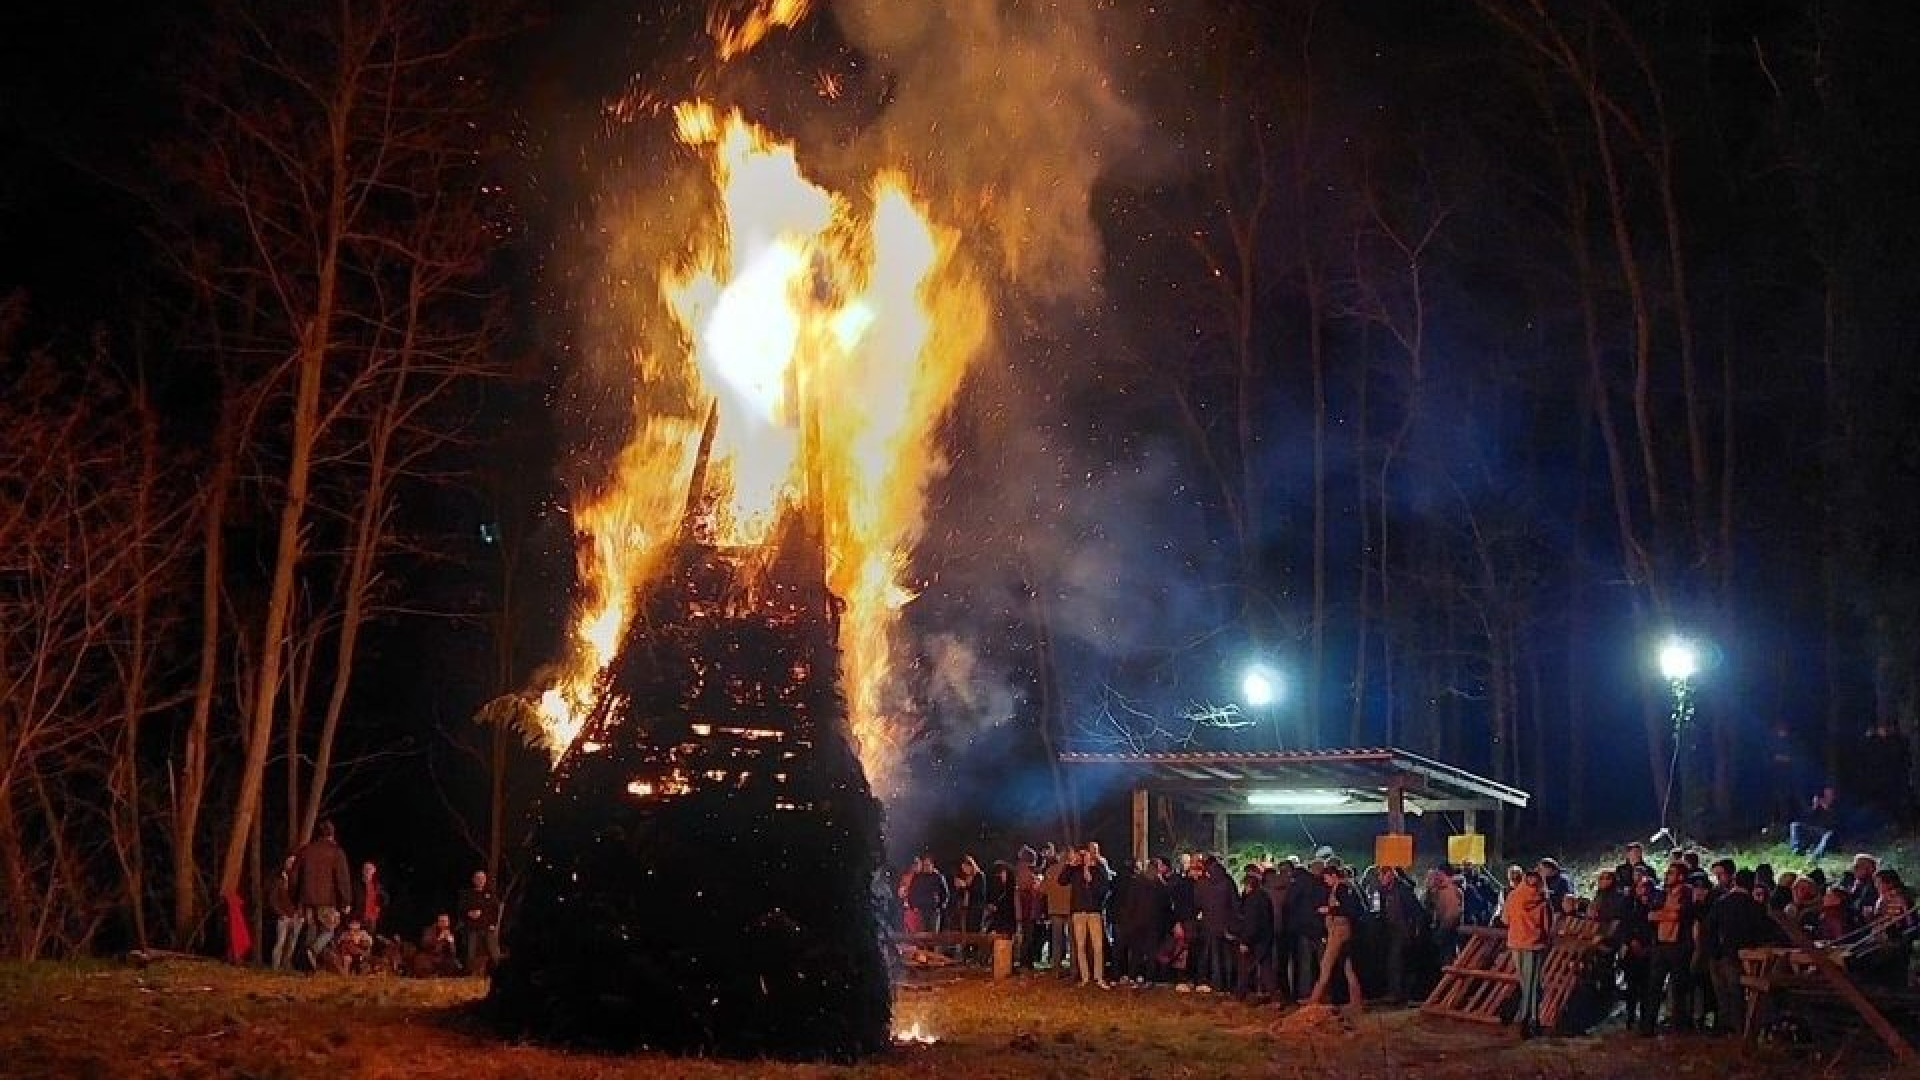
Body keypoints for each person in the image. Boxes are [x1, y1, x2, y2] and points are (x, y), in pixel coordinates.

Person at [1640, 863, 1696, 1034]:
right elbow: (1650, 915)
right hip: (1661, 944)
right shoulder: (1662, 894)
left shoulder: (1687, 893)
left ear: (1680, 876)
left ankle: (1678, 1027)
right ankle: (1648, 1026)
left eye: (1671, 873)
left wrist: (1664, 915)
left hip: (1678, 946)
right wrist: (1668, 915)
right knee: (1654, 987)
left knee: (1679, 989)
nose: (1666, 875)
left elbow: (1680, 915)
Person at [293, 822, 353, 968]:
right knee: (329, 930)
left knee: (312, 929)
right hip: (326, 900)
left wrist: (296, 896)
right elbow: (342, 878)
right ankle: (313, 951)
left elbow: (295, 875)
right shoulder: (336, 851)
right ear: (332, 834)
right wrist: (346, 901)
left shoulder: (306, 850)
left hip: (306, 898)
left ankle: (306, 965)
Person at [1308, 865, 1365, 1009]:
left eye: (1326, 878)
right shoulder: (1345, 887)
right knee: (1348, 968)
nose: (1325, 881)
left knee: (1325, 967)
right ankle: (1356, 1002)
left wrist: (1329, 910)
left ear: (1334, 876)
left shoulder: (1342, 889)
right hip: (1341, 931)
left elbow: (1350, 909)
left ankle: (1313, 1002)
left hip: (1338, 933)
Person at [1057, 846, 1112, 988]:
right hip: (1078, 911)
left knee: (1097, 946)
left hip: (1094, 912)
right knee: (1080, 946)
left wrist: (1091, 880)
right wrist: (1070, 864)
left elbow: (1104, 889)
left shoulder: (1099, 870)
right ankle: (1085, 977)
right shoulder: (1075, 870)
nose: (1085, 857)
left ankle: (1098, 977)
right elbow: (1062, 881)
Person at [1506, 868, 1549, 1038]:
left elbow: (1505, 919)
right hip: (1534, 944)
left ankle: (1524, 1017)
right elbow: (1547, 926)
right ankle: (1532, 1018)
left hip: (1516, 942)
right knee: (1532, 984)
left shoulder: (1514, 896)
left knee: (1524, 982)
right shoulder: (1543, 901)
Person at [457, 869, 502, 976]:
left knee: (494, 951)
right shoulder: (467, 894)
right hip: (472, 927)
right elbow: (461, 909)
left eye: (482, 878)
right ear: (473, 880)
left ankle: (499, 971)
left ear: (485, 880)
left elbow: (495, 910)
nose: (480, 880)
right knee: (470, 951)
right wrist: (469, 913)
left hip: (487, 927)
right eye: (478, 878)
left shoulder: (490, 894)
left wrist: (493, 924)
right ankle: (469, 973)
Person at [268, 854, 303, 971]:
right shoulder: (278, 880)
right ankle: (275, 967)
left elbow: (301, 898)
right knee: (280, 942)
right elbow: (272, 899)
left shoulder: (299, 880)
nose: (291, 865)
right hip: (284, 916)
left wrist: (300, 914)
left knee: (292, 943)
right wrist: (280, 913)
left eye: (294, 862)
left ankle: (286, 964)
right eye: (289, 862)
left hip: (296, 916)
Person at [1789, 786, 1837, 859]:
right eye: (1826, 794)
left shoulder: (1837, 807)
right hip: (1813, 831)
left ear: (1833, 796)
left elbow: (1834, 824)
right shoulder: (1818, 806)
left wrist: (1826, 808)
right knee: (1795, 825)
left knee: (1829, 834)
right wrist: (1814, 806)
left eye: (1830, 795)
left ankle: (1815, 855)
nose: (1827, 797)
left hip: (1825, 834)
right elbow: (1806, 819)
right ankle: (1797, 850)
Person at [949, 856, 984, 934]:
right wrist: (959, 887)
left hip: (976, 908)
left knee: (974, 931)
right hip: (966, 908)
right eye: (963, 868)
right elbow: (964, 892)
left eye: (965, 867)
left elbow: (979, 892)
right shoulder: (967, 877)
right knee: (966, 931)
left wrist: (965, 886)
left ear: (971, 866)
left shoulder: (979, 876)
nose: (964, 870)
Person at [352, 861, 386, 935]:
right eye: (365, 868)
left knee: (369, 941)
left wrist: (380, 903)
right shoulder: (356, 884)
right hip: (358, 918)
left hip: (372, 920)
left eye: (370, 869)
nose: (367, 871)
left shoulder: (377, 885)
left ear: (374, 871)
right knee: (356, 942)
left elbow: (385, 899)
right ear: (362, 871)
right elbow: (351, 901)